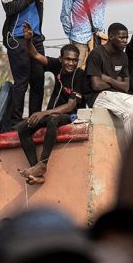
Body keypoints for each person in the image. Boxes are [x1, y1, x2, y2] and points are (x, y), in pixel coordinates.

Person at [0, 0, 66, 128]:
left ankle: (34, 119)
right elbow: (10, 9)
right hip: (17, 38)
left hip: (36, 37)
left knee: (38, 79)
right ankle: (14, 122)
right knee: (22, 81)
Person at [17, 24, 85, 184]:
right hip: (51, 114)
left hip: (70, 116)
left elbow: (69, 106)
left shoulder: (79, 75)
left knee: (53, 119)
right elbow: (34, 54)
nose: (71, 63)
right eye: (68, 59)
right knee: (22, 128)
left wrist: (43, 113)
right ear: (61, 59)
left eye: (74, 60)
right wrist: (28, 40)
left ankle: (43, 163)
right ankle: (35, 170)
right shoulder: (56, 65)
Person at [85, 22, 133, 137]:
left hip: (117, 95)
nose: (125, 41)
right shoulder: (97, 54)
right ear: (111, 37)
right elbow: (96, 85)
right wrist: (117, 82)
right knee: (129, 113)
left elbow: (126, 87)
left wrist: (108, 79)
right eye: (121, 37)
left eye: (126, 37)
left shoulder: (123, 56)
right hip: (98, 96)